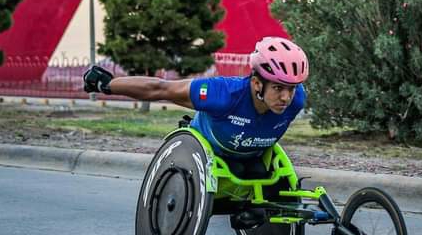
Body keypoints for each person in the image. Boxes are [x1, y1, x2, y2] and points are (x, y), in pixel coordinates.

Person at [83, 36, 309, 176]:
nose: (286, 98)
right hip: (210, 155)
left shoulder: (297, 100)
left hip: (253, 159)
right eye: (278, 88)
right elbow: (161, 89)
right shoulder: (223, 94)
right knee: (239, 171)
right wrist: (107, 85)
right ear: (257, 83)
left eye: (292, 88)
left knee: (259, 175)